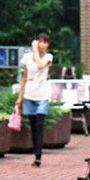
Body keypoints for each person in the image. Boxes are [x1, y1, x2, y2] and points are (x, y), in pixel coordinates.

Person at [16, 32, 53, 167]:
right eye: (40, 41)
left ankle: (38, 157)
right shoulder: (27, 58)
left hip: (43, 96)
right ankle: (36, 153)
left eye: (45, 42)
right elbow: (24, 77)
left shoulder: (49, 57)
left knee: (39, 125)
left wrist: (35, 50)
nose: (42, 44)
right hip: (29, 94)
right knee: (33, 127)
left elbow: (39, 65)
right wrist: (19, 98)